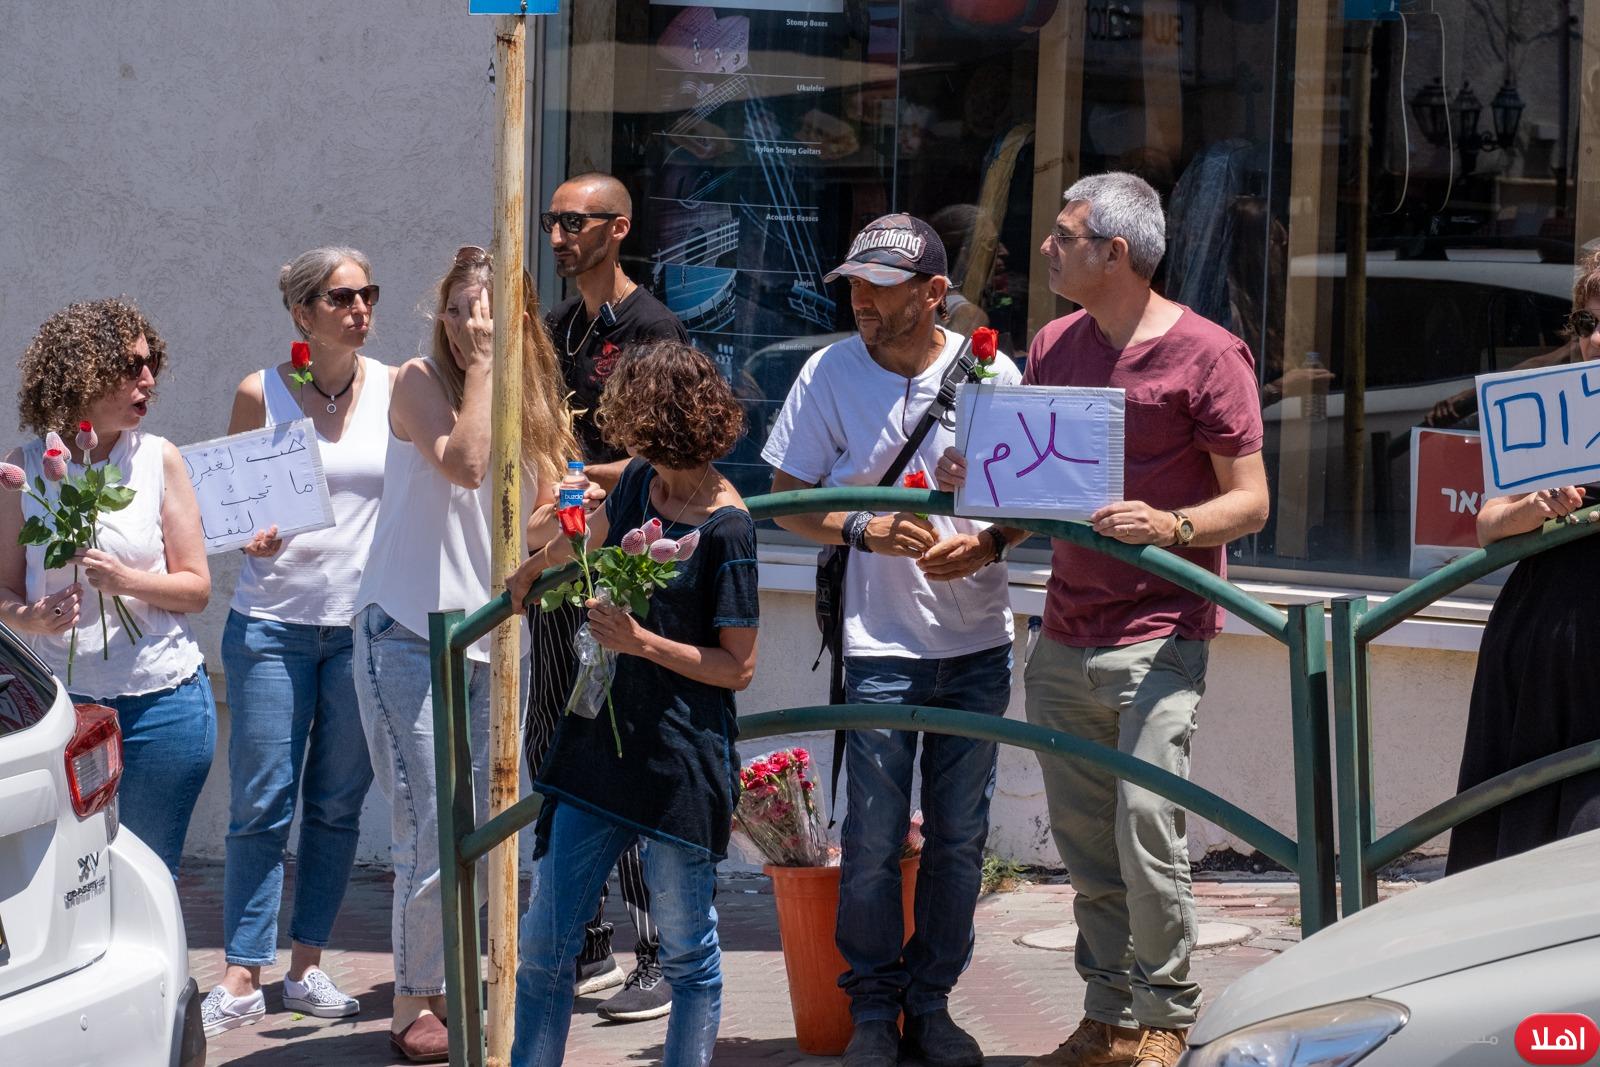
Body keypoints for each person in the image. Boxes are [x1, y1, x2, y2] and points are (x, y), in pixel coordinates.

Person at [938, 173, 1268, 1067]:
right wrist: (986, 514)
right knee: (1084, 834)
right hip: (1067, 626)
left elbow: (1252, 500)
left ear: (1114, 252)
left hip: (1163, 628)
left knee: (1147, 822)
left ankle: (1165, 1013)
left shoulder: (1210, 356)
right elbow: (1038, 481)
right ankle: (1108, 1011)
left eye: (1063, 235)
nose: (1046, 247)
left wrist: (1173, 526)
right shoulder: (1054, 342)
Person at [762, 213, 1021, 1067]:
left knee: (959, 836)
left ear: (933, 292)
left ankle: (931, 1002)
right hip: (877, 643)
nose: (862, 302)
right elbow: (787, 498)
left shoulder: (992, 371)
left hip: (977, 642)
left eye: (880, 287)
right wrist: (863, 528)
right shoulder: (830, 370)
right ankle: (872, 1006)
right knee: (871, 835)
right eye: (855, 287)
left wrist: (988, 543)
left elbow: (1034, 497)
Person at [506, 340, 758, 1067]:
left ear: (654, 419)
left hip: (678, 764)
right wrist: (530, 570)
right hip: (599, 752)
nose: (620, 429)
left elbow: (738, 667)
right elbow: (586, 543)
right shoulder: (643, 480)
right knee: (544, 947)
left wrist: (642, 641)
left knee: (686, 955)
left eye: (629, 414)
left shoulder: (728, 527)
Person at [350, 245, 558, 1063]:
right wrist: (481, 364)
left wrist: (577, 514)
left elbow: (530, 523)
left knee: (485, 820)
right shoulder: (418, 381)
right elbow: (466, 465)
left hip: (491, 634)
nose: (474, 323)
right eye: (461, 309)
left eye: (490, 311)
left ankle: (456, 979)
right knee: (432, 822)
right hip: (409, 629)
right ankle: (415, 998)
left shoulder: (532, 401)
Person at [198, 247, 392, 1038]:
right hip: (272, 623)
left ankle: (307, 964)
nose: (360, 307)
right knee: (261, 799)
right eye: (342, 297)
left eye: (367, 293)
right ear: (303, 312)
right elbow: (231, 508)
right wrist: (251, 535)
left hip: (360, 626)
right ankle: (242, 973)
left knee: (337, 803)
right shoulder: (262, 391)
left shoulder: (396, 388)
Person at [528, 170, 688, 1021]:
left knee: (620, 741)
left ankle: (657, 952)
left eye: (575, 222)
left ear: (619, 227)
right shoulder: (559, 327)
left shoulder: (653, 327)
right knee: (553, 736)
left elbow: (674, 448)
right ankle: (584, 935)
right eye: (551, 221)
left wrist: (584, 475)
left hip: (626, 562)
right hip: (563, 558)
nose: (559, 236)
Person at [0, 299, 214, 880]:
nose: (148, 380)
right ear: (82, 375)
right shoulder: (23, 469)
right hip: (61, 708)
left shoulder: (159, 459)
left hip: (161, 703)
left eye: (151, 365)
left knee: (148, 875)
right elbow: (3, 592)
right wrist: (30, 618)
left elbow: (197, 589)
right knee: (72, 877)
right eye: (130, 366)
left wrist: (124, 580)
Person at [1445, 252, 1600, 873]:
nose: (1595, 339)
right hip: (1541, 647)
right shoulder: (1551, 398)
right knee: (1522, 837)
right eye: (1587, 323)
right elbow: (1488, 524)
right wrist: (1533, 507)